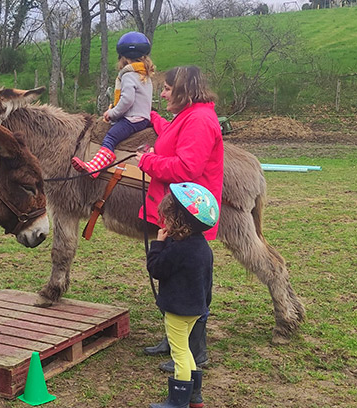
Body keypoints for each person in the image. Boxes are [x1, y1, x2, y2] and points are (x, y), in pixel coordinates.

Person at [135, 66, 223, 374]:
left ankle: (194, 352)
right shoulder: (189, 116)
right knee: (174, 279)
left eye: (167, 88)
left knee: (191, 285)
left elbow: (187, 167)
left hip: (190, 217)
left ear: (184, 91)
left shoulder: (199, 120)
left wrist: (147, 161)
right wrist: (152, 119)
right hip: (179, 214)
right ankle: (175, 341)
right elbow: (172, 134)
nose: (162, 93)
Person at [147, 182, 218, 408]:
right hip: (196, 309)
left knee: (179, 355)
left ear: (176, 221)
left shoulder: (177, 249)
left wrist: (158, 244)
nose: (163, 223)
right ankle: (195, 398)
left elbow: (156, 269)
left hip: (178, 311)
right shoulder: (202, 246)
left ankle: (178, 402)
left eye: (166, 218)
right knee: (186, 350)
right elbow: (208, 279)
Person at [72, 31, 155, 178]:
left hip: (133, 119)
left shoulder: (129, 75)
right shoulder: (145, 75)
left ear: (123, 58)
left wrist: (112, 113)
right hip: (143, 118)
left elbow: (127, 100)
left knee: (110, 136)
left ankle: (97, 166)